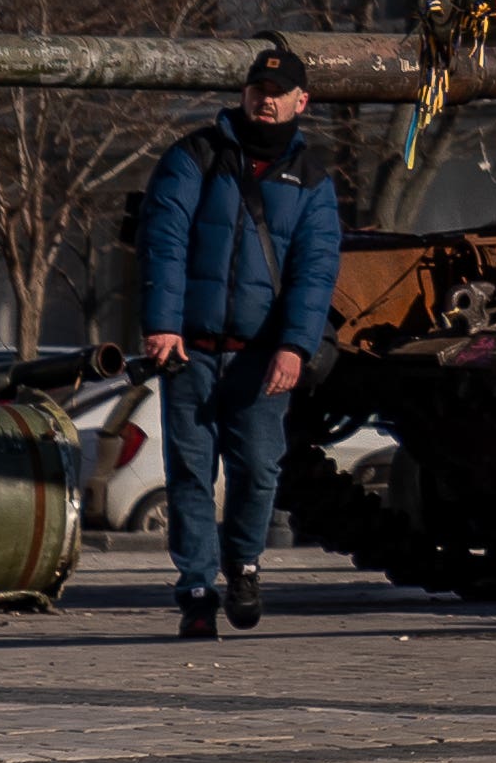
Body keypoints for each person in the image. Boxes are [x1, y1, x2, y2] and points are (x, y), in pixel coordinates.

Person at [134, 47, 345, 639]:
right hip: (190, 350)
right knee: (190, 474)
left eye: (279, 91)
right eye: (258, 88)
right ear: (246, 93)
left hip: (261, 357)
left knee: (257, 472)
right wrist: (162, 324)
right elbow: (163, 243)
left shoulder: (313, 181)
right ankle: (197, 588)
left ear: (301, 102)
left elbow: (316, 271)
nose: (266, 98)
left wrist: (296, 346)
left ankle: (244, 564)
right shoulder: (194, 156)